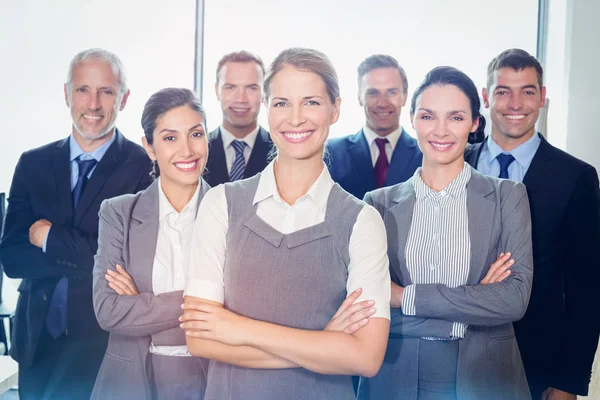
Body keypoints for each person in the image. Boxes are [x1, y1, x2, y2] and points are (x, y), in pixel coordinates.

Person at [180, 47, 391, 400]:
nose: (295, 119)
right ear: (267, 108)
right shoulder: (221, 205)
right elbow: (199, 338)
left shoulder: (362, 221)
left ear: (335, 109)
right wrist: (324, 344)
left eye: (310, 102)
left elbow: (366, 358)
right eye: (281, 103)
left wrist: (238, 328)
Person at [360, 66, 533, 400]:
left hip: (487, 380)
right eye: (428, 116)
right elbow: (370, 311)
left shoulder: (508, 197)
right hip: (397, 379)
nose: (440, 130)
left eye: (455, 117)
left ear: (474, 123)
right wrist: (472, 307)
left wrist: (403, 296)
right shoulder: (377, 205)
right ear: (412, 119)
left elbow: (513, 300)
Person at [0, 48, 153, 399]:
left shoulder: (142, 167)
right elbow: (12, 259)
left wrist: (49, 236)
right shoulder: (32, 163)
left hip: (101, 343)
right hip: (36, 340)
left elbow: (126, 263)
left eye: (106, 91)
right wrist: (89, 253)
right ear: (67, 94)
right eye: (83, 89)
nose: (93, 103)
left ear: (124, 98)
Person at [465, 48, 600, 400]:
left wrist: (569, 382)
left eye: (527, 91)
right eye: (503, 91)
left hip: (536, 362)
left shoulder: (576, 177)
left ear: (542, 98)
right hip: (454, 351)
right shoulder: (454, 165)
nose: (515, 103)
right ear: (485, 97)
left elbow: (587, 287)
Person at [91, 88, 211, 399]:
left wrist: (141, 303)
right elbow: (108, 311)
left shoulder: (232, 210)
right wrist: (203, 302)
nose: (187, 150)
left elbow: (244, 308)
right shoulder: (118, 212)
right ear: (150, 147)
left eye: (195, 134)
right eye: (170, 138)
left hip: (210, 381)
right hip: (129, 381)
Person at [327, 54, 422, 200]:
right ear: (359, 96)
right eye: (373, 93)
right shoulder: (330, 153)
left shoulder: (425, 155)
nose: (382, 103)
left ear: (405, 96)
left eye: (391, 92)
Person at [204, 51, 272, 186]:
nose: (241, 99)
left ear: (264, 92)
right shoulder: (196, 150)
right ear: (217, 90)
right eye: (230, 87)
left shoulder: (281, 150)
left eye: (251, 88)